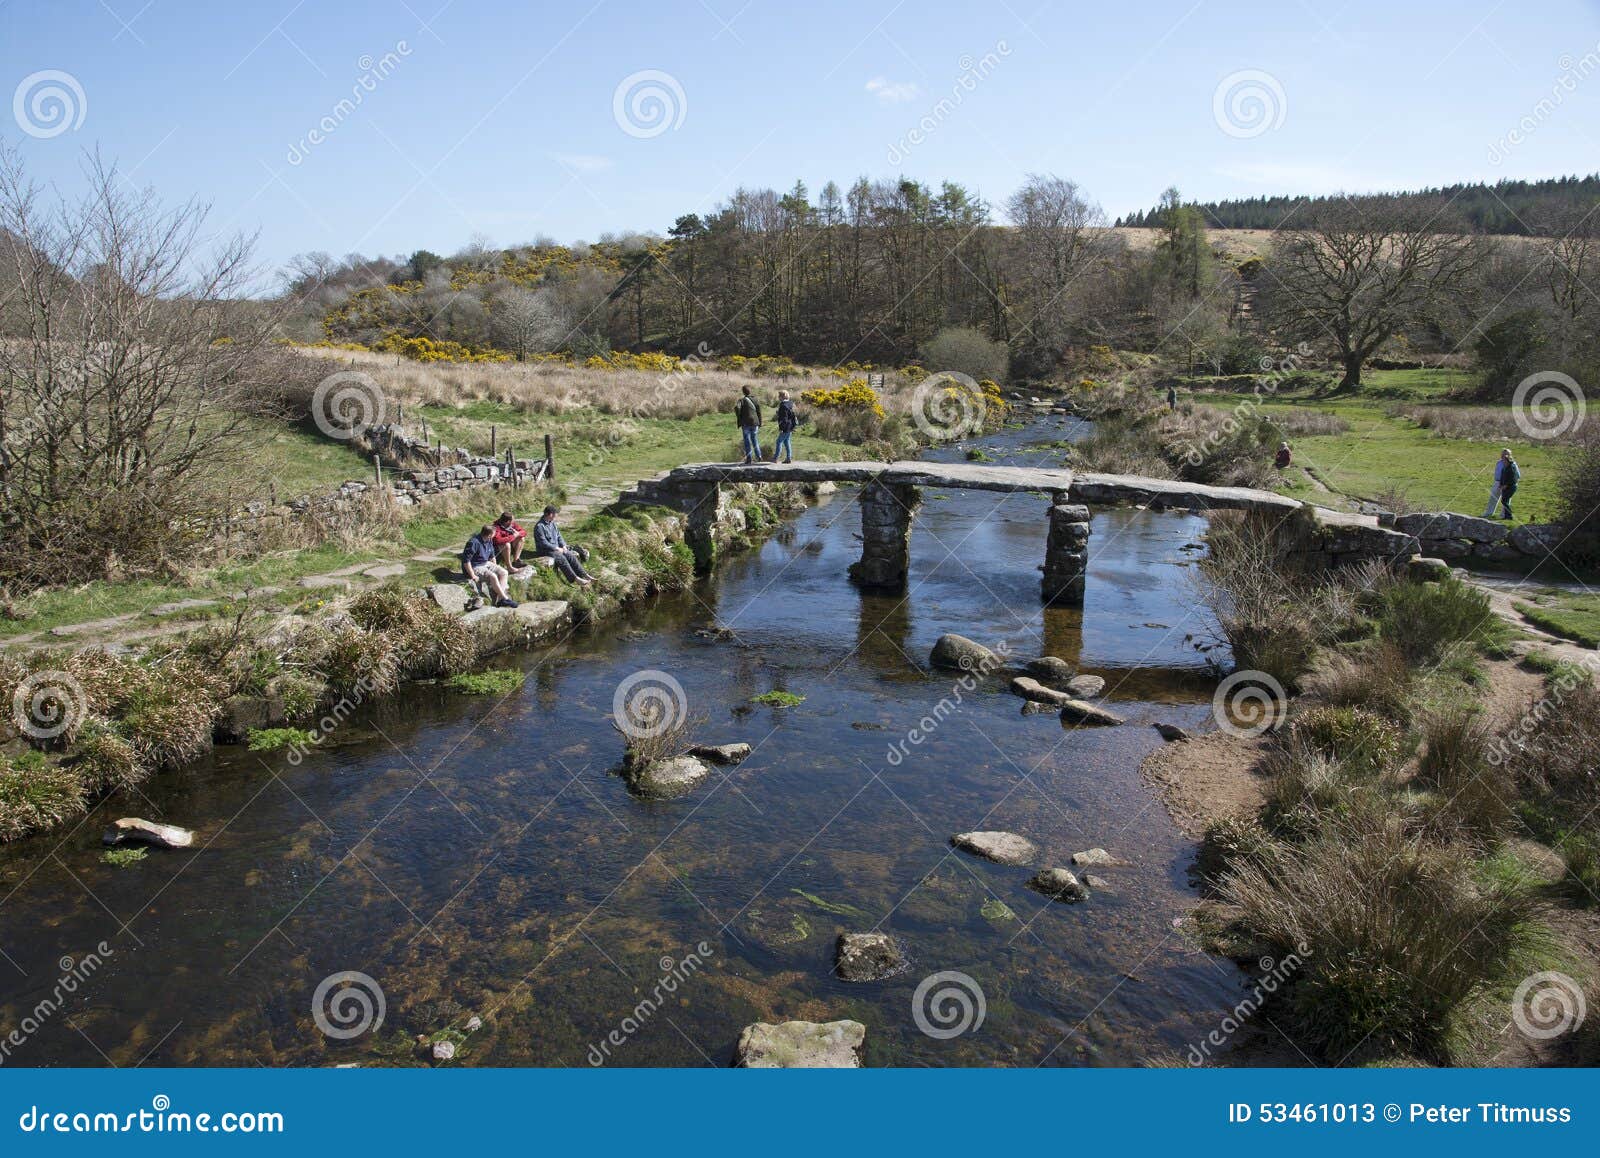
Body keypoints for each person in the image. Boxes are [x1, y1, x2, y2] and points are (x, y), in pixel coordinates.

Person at [534, 505, 593, 585]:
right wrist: (556, 548)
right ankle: (576, 579)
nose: (556, 515)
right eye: (555, 514)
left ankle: (585, 575)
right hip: (545, 550)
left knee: (570, 555)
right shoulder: (539, 527)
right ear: (550, 514)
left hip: (556, 548)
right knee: (561, 558)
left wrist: (563, 546)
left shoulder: (552, 523)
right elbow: (543, 543)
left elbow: (559, 536)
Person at [462, 525, 518, 608]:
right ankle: (505, 598)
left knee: (504, 572)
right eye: (494, 534)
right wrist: (472, 575)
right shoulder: (473, 543)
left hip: (486, 563)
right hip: (475, 566)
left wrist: (495, 567)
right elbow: (466, 561)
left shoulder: (489, 540)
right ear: (489, 535)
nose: (495, 535)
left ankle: (500, 600)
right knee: (493, 576)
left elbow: (492, 556)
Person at [491, 511, 531, 576]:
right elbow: (498, 540)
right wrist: (513, 536)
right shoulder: (496, 527)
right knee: (506, 544)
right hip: (497, 552)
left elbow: (524, 532)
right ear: (508, 521)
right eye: (512, 520)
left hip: (509, 548)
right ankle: (509, 567)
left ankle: (516, 561)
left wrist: (518, 534)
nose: (514, 522)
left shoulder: (512, 525)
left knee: (521, 538)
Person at [735, 385, 763, 464]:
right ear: (750, 391)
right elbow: (759, 412)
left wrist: (739, 417)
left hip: (745, 423)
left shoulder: (741, 400)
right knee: (755, 440)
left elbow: (737, 408)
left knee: (747, 441)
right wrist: (760, 422)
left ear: (743, 392)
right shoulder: (755, 399)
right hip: (755, 423)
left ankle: (749, 459)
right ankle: (759, 456)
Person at [1491, 448, 1520, 520]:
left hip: (1509, 486)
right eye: (1503, 454)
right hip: (1500, 483)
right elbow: (1501, 475)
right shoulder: (1500, 464)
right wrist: (1501, 484)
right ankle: (1505, 516)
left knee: (1505, 500)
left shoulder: (1512, 466)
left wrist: (1505, 485)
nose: (1503, 456)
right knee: (1500, 499)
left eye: (1505, 455)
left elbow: (1514, 477)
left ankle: (1507, 515)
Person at [773, 390, 798, 464]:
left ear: (782, 397)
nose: (778, 397)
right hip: (790, 426)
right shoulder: (790, 403)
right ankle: (788, 458)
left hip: (785, 427)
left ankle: (775, 458)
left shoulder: (783, 405)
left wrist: (781, 428)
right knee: (787, 442)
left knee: (779, 442)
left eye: (779, 396)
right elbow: (788, 415)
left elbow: (784, 419)